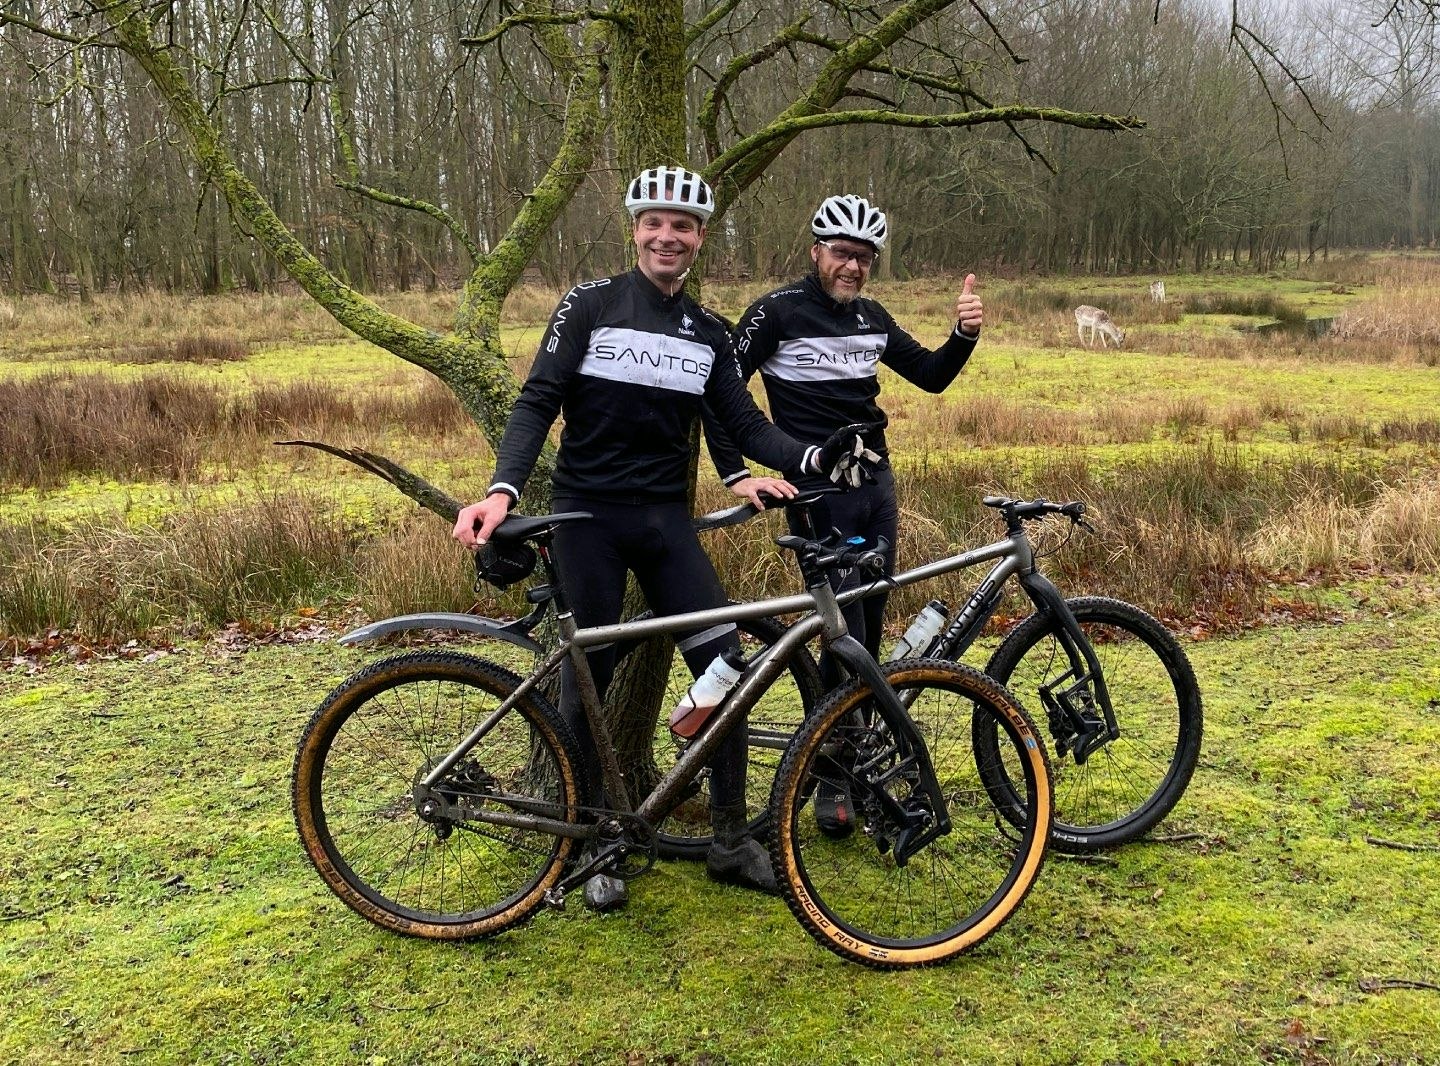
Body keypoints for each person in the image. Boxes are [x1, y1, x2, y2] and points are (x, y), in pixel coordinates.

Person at [452, 166, 868, 912]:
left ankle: (731, 841)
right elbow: (538, 400)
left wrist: (809, 460)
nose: (668, 235)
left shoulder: (708, 331)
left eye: (683, 225)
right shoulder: (590, 304)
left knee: (727, 670)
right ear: (636, 229)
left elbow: (740, 425)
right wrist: (501, 490)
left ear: (700, 238)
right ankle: (593, 843)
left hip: (665, 522)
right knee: (592, 683)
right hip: (587, 522)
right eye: (656, 222)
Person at [707, 193, 983, 835]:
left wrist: (963, 335)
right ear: (816, 253)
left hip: (874, 484)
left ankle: (848, 755)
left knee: (874, 616)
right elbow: (720, 396)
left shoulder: (872, 316)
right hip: (817, 491)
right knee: (846, 630)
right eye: (841, 253)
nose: (852, 266)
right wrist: (741, 474)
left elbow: (933, 375)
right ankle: (834, 777)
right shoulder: (775, 312)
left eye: (863, 257)